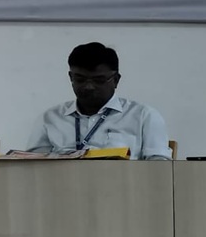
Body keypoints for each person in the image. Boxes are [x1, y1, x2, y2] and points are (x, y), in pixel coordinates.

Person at [27, 42, 171, 160]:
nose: (89, 87)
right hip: (64, 185)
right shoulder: (50, 118)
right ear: (71, 78)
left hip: (124, 185)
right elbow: (33, 166)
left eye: (99, 80)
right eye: (80, 79)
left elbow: (159, 167)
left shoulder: (143, 116)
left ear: (116, 80)